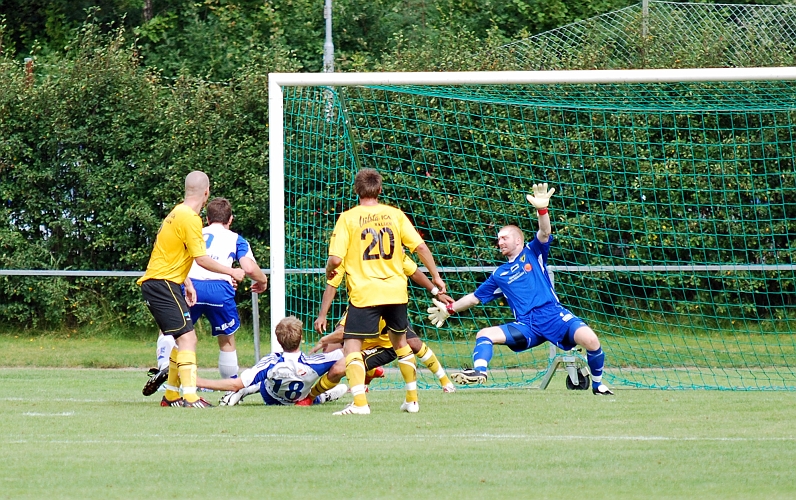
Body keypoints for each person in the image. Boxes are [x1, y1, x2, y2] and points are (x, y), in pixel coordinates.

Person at [426, 182, 614, 396]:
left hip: (553, 315)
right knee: (484, 334)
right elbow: (474, 298)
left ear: (518, 239)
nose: (500, 242)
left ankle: (598, 385)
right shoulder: (499, 274)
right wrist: (449, 309)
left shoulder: (533, 252)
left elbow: (544, 232)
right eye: (498, 239)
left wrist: (542, 209)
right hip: (527, 326)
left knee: (591, 340)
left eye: (504, 237)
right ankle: (479, 372)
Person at [326, 168, 446, 415]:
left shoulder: (348, 218)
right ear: (380, 190)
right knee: (401, 344)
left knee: (352, 347)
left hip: (366, 292)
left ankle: (360, 404)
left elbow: (336, 260)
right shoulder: (395, 215)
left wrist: (329, 268)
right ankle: (412, 400)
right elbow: (421, 247)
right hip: (396, 292)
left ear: (356, 190)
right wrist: (436, 277)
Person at [137, 171, 246, 408]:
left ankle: (172, 396)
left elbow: (172, 254)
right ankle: (189, 396)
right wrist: (232, 272)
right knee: (188, 339)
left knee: (184, 338)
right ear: (206, 192)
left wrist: (187, 283)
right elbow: (202, 260)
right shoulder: (190, 219)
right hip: (162, 284)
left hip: (164, 283)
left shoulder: (176, 213)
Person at [143, 197, 268, 395]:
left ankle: (164, 370)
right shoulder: (236, 239)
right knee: (226, 339)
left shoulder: (196, 231)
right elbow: (249, 267)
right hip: (220, 289)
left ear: (207, 219)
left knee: (171, 331)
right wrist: (262, 281)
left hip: (190, 285)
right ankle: (230, 389)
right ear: (231, 219)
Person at [310, 253, 456, 394]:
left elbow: (415, 270)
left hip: (391, 307)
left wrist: (437, 292)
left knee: (413, 343)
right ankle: (368, 375)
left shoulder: (390, 252)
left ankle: (444, 382)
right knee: (331, 354)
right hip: (361, 306)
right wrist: (322, 315)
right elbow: (332, 283)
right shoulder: (350, 255)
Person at [194, 316, 348, 406]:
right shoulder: (315, 362)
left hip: (271, 397)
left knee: (260, 378)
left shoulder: (271, 361)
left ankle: (245, 391)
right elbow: (347, 352)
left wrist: (197, 381)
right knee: (330, 389)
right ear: (301, 338)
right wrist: (327, 339)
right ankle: (324, 396)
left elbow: (234, 383)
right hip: (300, 399)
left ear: (278, 340)